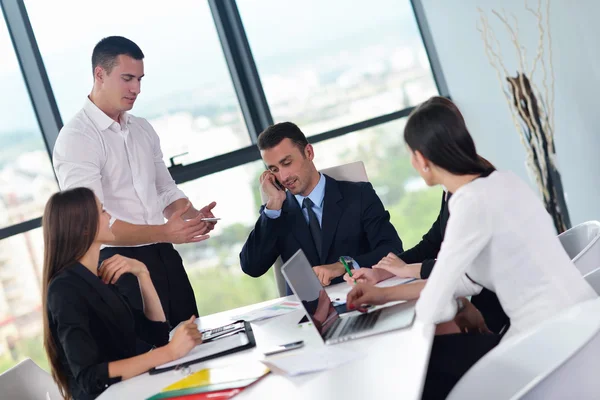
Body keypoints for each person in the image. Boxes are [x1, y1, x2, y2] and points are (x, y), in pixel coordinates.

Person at [345, 96, 597, 399]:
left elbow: (436, 305)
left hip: (548, 344)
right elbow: (465, 280)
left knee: (426, 376)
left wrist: (449, 303)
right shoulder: (503, 181)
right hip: (584, 324)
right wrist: (382, 294)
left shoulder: (468, 203)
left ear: (422, 159)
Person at [53, 36, 217, 327]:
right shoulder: (77, 139)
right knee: (152, 357)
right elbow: (92, 223)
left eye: (140, 79)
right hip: (118, 264)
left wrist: (190, 217)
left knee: (193, 337)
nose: (136, 89)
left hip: (163, 253)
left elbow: (164, 188)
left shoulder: (141, 128)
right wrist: (166, 231)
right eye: (127, 78)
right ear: (99, 75)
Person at [346, 98, 508, 334]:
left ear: (421, 158)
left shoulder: (469, 199)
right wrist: (381, 273)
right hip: (499, 313)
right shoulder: (470, 185)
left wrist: (395, 281)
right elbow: (431, 244)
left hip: (501, 323)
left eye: (411, 154)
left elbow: (449, 276)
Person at [42, 187, 202, 400]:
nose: (109, 216)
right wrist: (169, 353)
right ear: (84, 229)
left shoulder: (99, 276)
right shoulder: (64, 290)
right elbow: (89, 377)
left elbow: (156, 335)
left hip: (134, 390)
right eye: (102, 211)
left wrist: (142, 273)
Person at [239, 122, 403, 290]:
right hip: (309, 311)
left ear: (308, 152)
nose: (283, 176)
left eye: (287, 163)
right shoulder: (276, 213)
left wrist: (343, 265)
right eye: (274, 169)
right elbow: (252, 267)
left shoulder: (358, 195)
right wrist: (273, 205)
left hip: (359, 295)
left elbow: (392, 249)